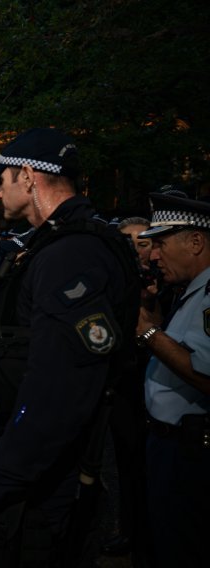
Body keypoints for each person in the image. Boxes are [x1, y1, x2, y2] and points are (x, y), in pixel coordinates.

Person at [0, 128, 139, 566]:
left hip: (46, 479)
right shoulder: (57, 245)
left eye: (2, 178)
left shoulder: (72, 255)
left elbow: (57, 396)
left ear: (28, 176)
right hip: (37, 461)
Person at [134, 192, 210, 568]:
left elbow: (206, 374)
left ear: (195, 242)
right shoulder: (189, 290)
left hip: (191, 454)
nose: (153, 255)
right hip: (170, 444)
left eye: (161, 243)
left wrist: (148, 333)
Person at [100, 217, 155, 563]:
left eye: (144, 242)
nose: (136, 250)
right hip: (125, 387)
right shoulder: (114, 282)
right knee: (127, 466)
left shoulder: (174, 282)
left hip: (162, 392)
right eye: (128, 242)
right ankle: (130, 530)